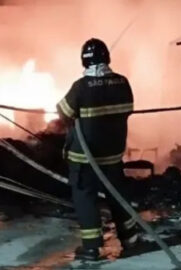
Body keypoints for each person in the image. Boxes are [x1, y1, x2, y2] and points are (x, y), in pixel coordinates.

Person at [57, 38, 139, 261]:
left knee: (85, 198)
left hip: (85, 157)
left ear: (84, 61)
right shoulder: (123, 82)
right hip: (113, 155)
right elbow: (128, 109)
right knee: (117, 196)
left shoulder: (80, 87)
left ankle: (91, 248)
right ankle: (131, 240)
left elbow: (63, 113)